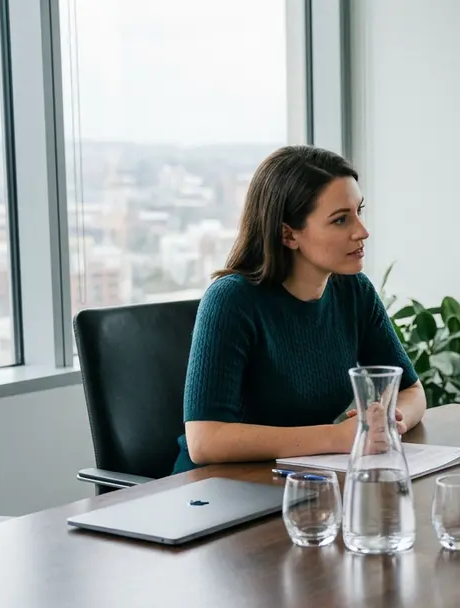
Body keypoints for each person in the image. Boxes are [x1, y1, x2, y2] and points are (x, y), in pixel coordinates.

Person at [172, 145, 425, 473]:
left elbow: (411, 390)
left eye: (359, 211)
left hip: (301, 479)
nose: (362, 231)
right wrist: (336, 437)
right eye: (340, 220)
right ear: (288, 234)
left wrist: (391, 421)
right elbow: (205, 440)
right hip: (218, 492)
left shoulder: (354, 291)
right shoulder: (231, 300)